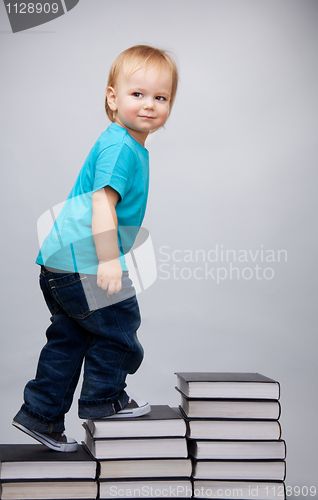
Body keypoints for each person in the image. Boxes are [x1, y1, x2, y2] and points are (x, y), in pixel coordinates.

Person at [12, 45, 178, 452]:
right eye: (137, 94)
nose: (149, 105)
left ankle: (41, 416)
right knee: (121, 329)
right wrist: (107, 261)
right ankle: (104, 401)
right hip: (84, 262)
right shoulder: (121, 147)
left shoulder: (123, 143)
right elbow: (103, 204)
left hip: (58, 264)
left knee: (71, 338)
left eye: (160, 97)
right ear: (112, 98)